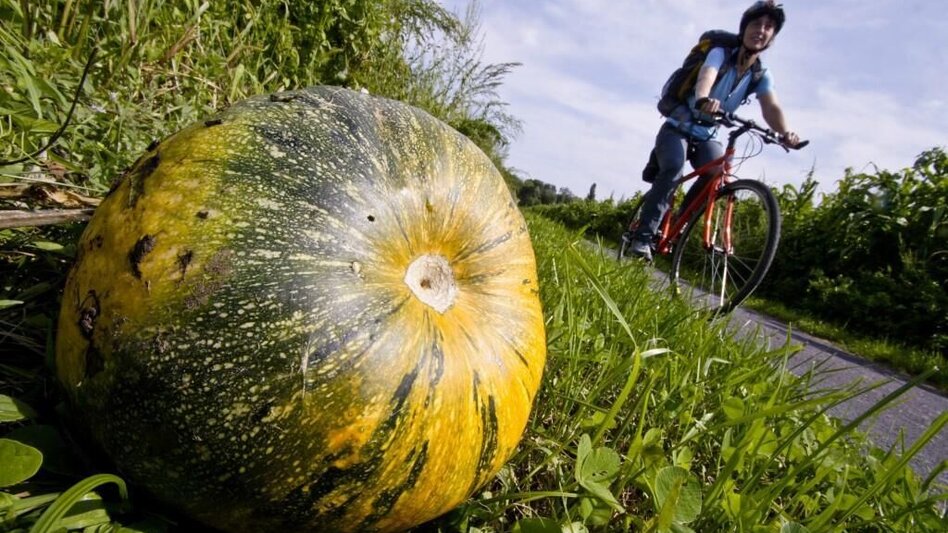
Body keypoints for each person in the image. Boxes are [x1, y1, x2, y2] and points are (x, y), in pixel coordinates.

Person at [628, 0, 801, 261]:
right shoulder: (720, 53)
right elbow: (707, 74)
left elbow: (771, 106)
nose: (761, 30)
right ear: (743, 29)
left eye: (769, 27)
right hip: (677, 127)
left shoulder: (760, 75)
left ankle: (679, 224)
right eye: (756, 24)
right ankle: (641, 238)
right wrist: (703, 99)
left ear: (772, 38)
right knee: (674, 167)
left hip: (708, 132)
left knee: (716, 173)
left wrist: (785, 132)